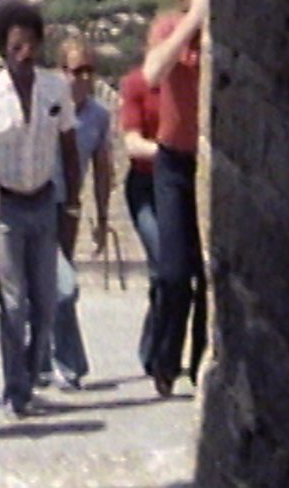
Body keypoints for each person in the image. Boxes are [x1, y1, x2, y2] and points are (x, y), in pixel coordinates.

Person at [0, 2, 80, 418]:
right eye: (16, 46)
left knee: (47, 303)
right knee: (13, 305)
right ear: (3, 49)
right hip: (6, 208)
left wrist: (73, 207)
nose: (24, 53)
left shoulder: (56, 90)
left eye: (30, 43)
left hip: (44, 202)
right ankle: (16, 390)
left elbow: (69, 149)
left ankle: (31, 377)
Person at [141, 0, 210, 397]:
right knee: (172, 271)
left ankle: (201, 362)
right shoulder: (169, 28)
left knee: (207, 273)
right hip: (171, 162)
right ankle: (162, 358)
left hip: (206, 163)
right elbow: (152, 73)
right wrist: (193, 22)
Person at [38, 36, 113, 389]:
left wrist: (101, 218)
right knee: (62, 287)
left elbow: (102, 168)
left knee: (50, 286)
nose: (83, 78)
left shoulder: (99, 116)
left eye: (89, 70)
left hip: (67, 208)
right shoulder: (46, 107)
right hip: (35, 204)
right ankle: (68, 364)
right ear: (61, 72)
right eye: (76, 70)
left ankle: (41, 363)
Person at [119, 58, 163, 374]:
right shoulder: (136, 83)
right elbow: (131, 143)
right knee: (161, 266)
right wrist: (169, 152)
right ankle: (153, 349)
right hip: (146, 185)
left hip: (180, 182)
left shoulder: (189, 81)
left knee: (183, 272)